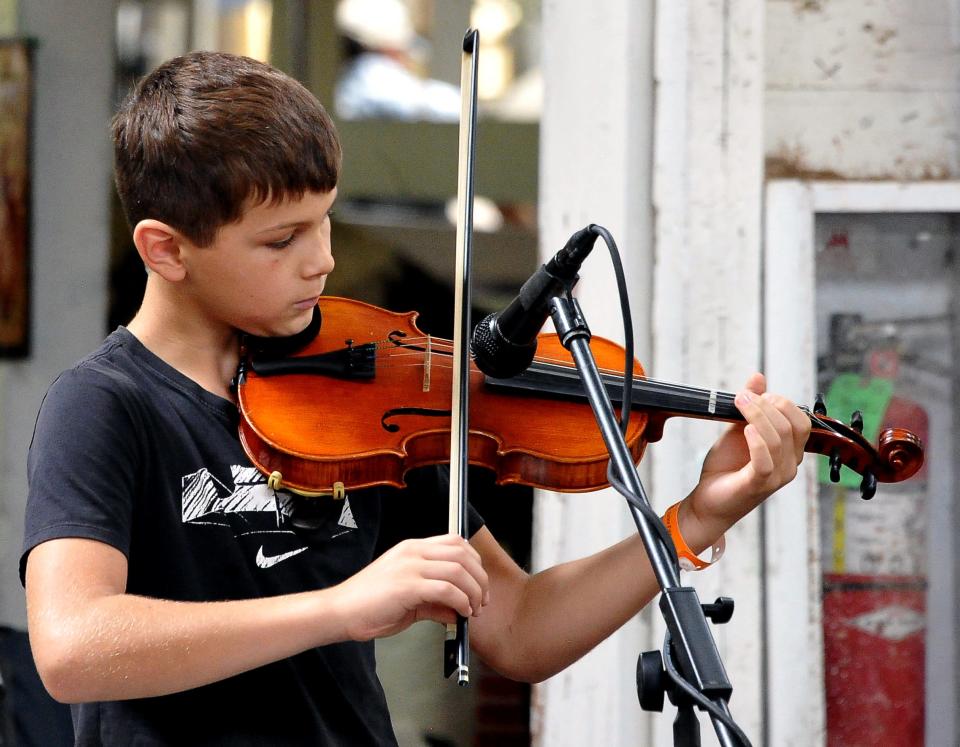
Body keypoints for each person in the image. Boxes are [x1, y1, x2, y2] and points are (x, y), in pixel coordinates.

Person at [21, 51, 811, 746]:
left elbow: (523, 627)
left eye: (325, 222)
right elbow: (74, 647)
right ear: (167, 248)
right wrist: (340, 606)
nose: (322, 260)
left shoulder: (367, 397)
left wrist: (697, 515)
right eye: (281, 239)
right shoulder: (105, 404)